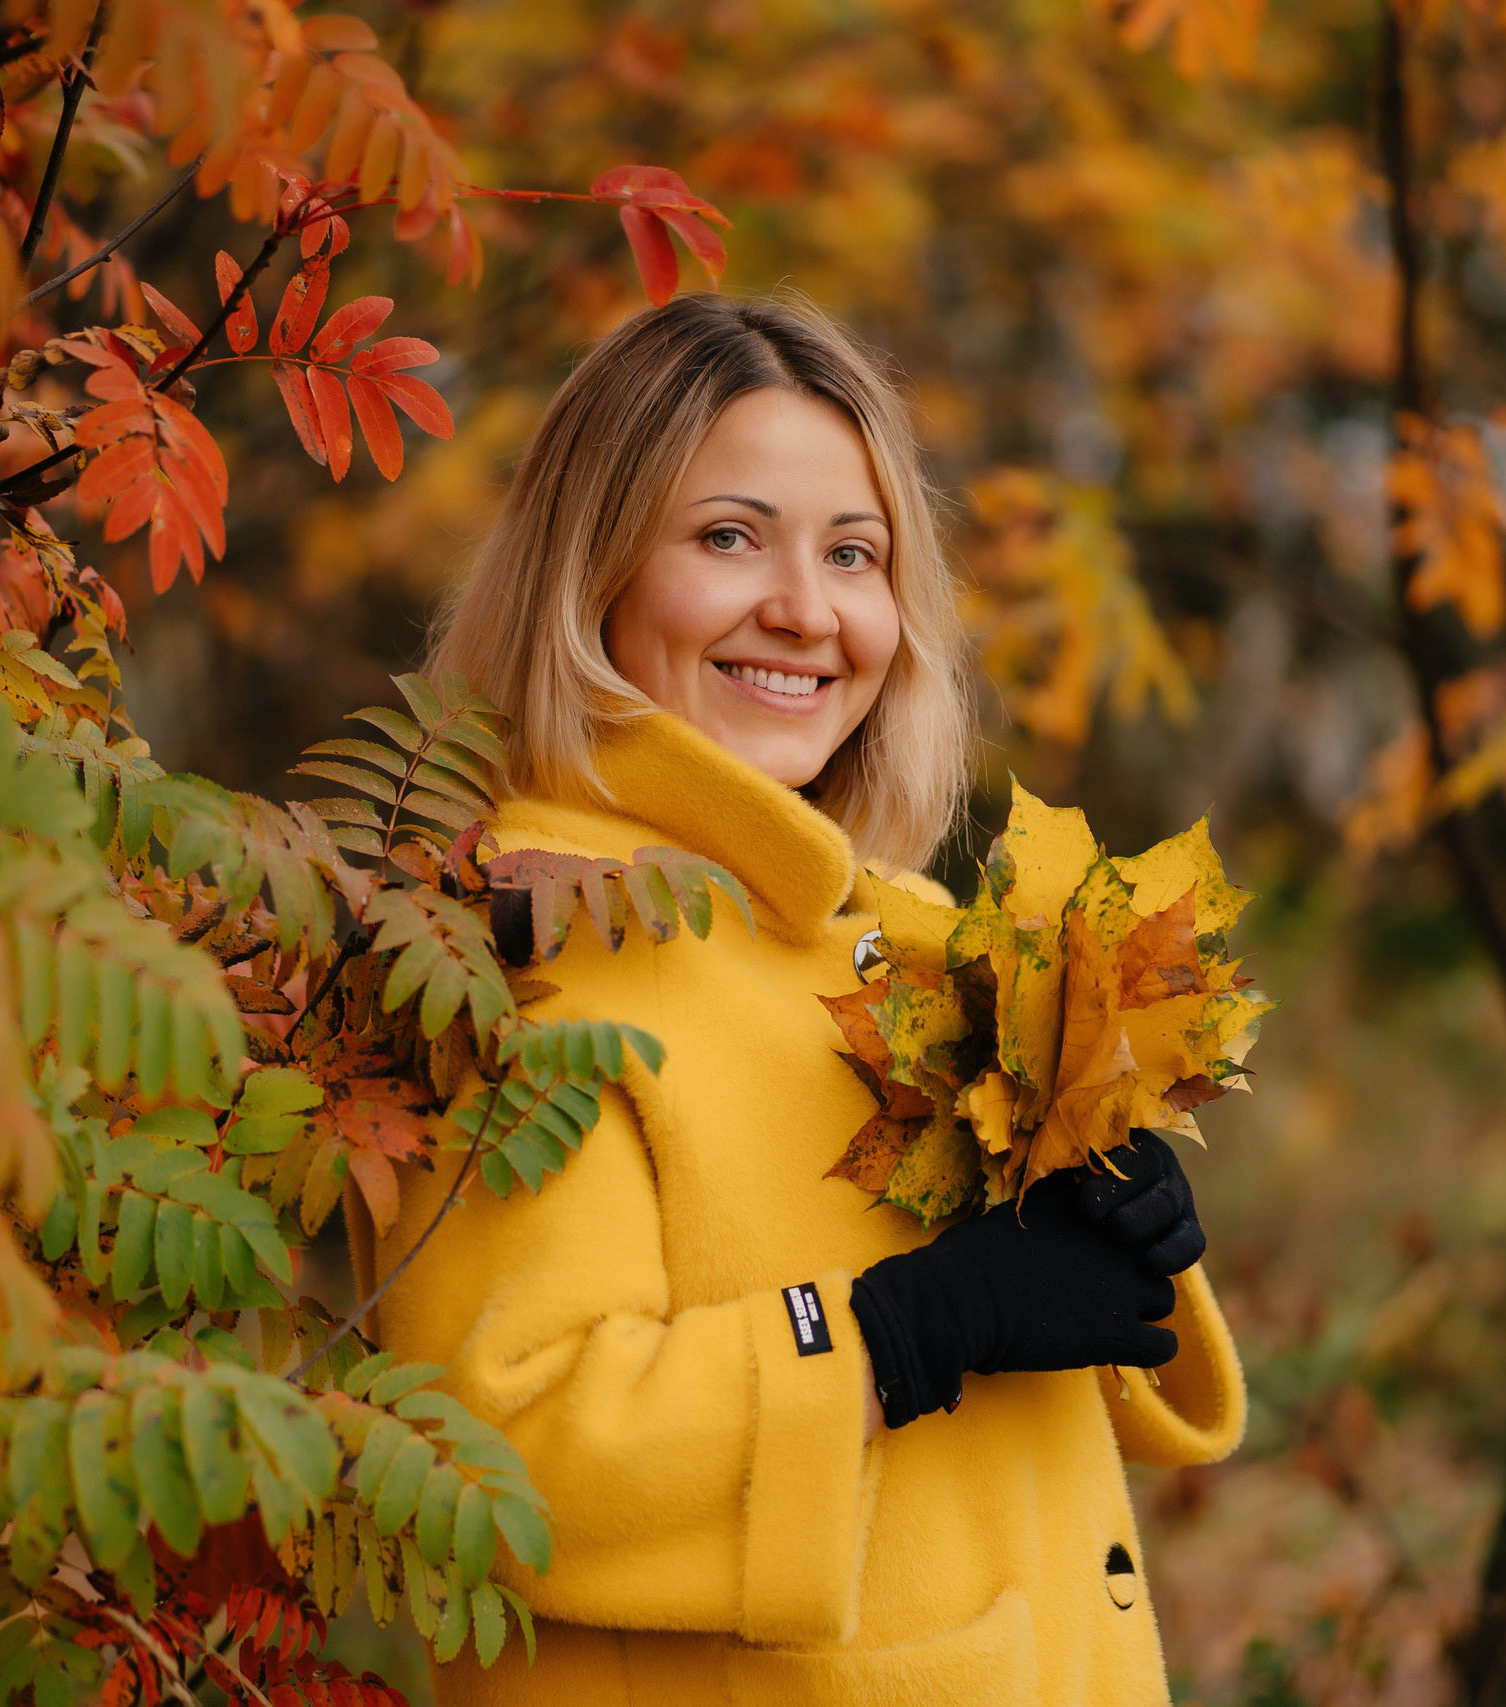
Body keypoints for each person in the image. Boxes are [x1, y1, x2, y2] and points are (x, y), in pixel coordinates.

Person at [344, 294, 1245, 1705]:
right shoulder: (503, 939)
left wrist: (1118, 1250)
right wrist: (905, 1331)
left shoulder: (909, 931)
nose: (807, 612)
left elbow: (1036, 1409)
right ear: (590, 574)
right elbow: (494, 1456)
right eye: (728, 538)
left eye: (853, 554)